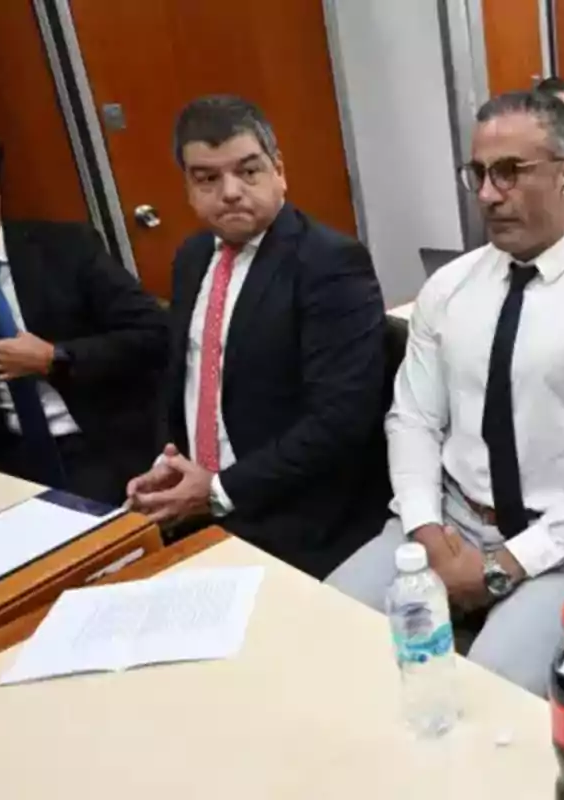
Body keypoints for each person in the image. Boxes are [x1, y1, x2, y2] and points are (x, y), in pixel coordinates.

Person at [326, 91, 564, 698]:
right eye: (479, 174)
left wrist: (503, 566)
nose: (489, 194)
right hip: (450, 518)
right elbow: (411, 418)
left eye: (510, 173)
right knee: (329, 626)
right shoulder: (450, 287)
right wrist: (423, 529)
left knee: (491, 692)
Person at [126, 96, 389, 579]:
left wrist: (221, 488)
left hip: (296, 517)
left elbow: (340, 421)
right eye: (207, 178)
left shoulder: (329, 263)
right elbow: (184, 379)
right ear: (187, 187)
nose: (230, 192)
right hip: (200, 506)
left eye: (248, 172)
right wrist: (171, 465)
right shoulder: (191, 257)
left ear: (279, 171)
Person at [0, 108, 169, 504]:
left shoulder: (67, 248)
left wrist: (56, 357)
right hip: (1, 468)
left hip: (98, 446)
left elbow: (155, 334)